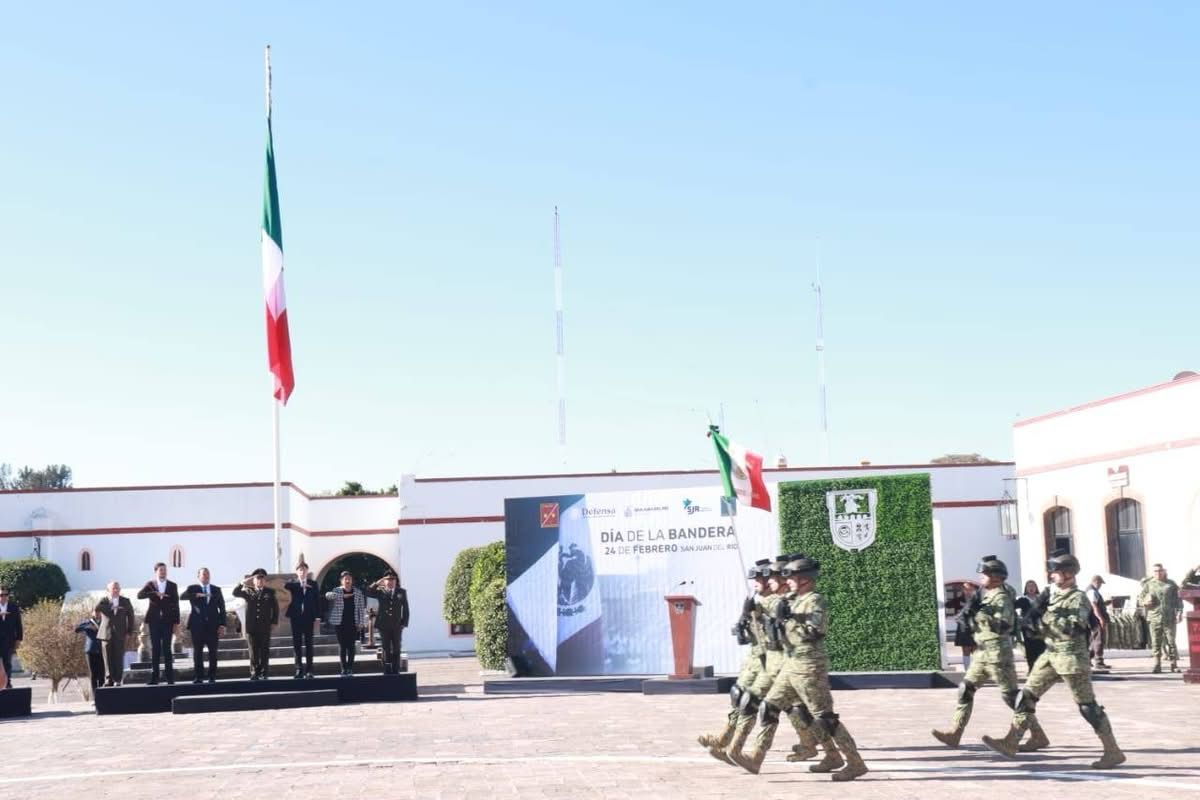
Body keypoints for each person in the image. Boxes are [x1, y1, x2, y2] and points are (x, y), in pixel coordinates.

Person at [983, 549, 1125, 769]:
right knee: (1026, 696)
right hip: (1050, 655)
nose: (1052, 575)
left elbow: (1071, 627)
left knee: (1087, 706)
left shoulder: (1078, 598)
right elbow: (1034, 621)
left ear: (1068, 573)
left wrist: (1041, 623)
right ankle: (1012, 741)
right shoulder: (1051, 594)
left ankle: (1112, 751)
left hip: (1072, 658)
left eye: (1056, 572)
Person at [734, 555, 868, 782]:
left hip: (809, 665)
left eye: (793, 578)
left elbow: (815, 632)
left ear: (805, 580)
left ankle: (855, 762)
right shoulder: (793, 599)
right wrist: (751, 608)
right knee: (768, 707)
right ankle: (756, 757)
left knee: (824, 718)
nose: (789, 582)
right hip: (790, 664)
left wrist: (788, 620)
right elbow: (772, 604)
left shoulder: (814, 601)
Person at [933, 556, 1048, 752]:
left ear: (995, 577)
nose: (981, 576)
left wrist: (978, 614)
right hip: (982, 652)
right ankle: (955, 732)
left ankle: (1037, 735)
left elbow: (1004, 624)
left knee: (1011, 697)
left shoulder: (1001, 597)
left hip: (998, 652)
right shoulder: (988, 594)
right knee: (966, 688)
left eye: (985, 573)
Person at [717, 554, 817, 771]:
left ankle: (735, 747)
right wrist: (745, 620)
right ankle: (735, 747)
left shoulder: (791, 601)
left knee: (799, 710)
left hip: (790, 663)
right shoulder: (774, 600)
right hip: (771, 661)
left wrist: (764, 613)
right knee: (772, 706)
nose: (767, 583)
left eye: (771, 578)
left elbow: (801, 631)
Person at [699, 559, 773, 757]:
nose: (754, 582)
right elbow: (746, 637)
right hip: (755, 660)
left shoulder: (775, 602)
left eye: (758, 578)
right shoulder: (755, 600)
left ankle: (819, 745)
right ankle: (726, 740)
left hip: (773, 662)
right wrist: (743, 619)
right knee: (741, 698)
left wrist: (758, 615)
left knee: (797, 710)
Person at [136, 562, 181, 685]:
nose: (163, 572)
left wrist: (176, 622)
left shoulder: (172, 585)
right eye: (161, 570)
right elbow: (139, 595)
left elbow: (176, 604)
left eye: (165, 570)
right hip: (154, 621)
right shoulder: (150, 584)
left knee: (167, 649)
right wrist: (154, 593)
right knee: (155, 649)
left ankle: (169, 678)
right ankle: (154, 678)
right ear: (156, 571)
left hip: (168, 621)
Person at [182, 567, 226, 683]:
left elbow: (222, 608)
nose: (206, 576)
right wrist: (196, 595)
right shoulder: (192, 588)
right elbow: (182, 597)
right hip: (197, 626)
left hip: (213, 626)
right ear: (199, 576)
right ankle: (199, 676)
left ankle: (212, 676)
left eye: (207, 574)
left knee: (213, 652)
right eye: (203, 574)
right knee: (198, 652)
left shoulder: (216, 589)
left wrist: (222, 625)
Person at [233, 568, 278, 680]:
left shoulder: (270, 592)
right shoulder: (248, 591)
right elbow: (235, 592)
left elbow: (275, 608)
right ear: (254, 581)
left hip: (264, 626)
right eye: (258, 578)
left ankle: (264, 672)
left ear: (265, 580)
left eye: (262, 578)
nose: (260, 581)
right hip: (251, 626)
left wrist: (273, 622)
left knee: (264, 650)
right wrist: (242, 583)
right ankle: (254, 672)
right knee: (253, 651)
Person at [1138, 563, 1182, 673]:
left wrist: (1180, 612)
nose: (1157, 573)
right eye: (1155, 571)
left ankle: (1174, 664)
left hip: (1169, 617)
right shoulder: (1149, 584)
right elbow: (1140, 599)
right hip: (1154, 617)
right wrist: (1145, 602)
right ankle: (1157, 665)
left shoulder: (1171, 584)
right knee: (1156, 642)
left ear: (1164, 571)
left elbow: (1178, 599)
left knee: (1171, 641)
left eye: (1159, 571)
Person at [366, 570, 410, 675]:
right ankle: (387, 668)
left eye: (392, 580)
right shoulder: (380, 591)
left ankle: (396, 668)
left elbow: (406, 608)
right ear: (384, 581)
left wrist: (404, 622)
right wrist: (377, 583)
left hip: (397, 624)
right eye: (388, 580)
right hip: (383, 624)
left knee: (396, 647)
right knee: (385, 648)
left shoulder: (401, 592)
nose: (390, 582)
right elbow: (368, 591)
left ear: (395, 581)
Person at [283, 562, 322, 679]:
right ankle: (299, 669)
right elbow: (286, 586)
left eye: (304, 570)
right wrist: (301, 585)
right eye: (300, 570)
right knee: (297, 644)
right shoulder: (293, 583)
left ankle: (310, 670)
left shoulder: (313, 584)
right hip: (296, 618)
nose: (302, 572)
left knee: (309, 644)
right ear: (297, 572)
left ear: (307, 571)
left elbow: (317, 601)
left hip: (309, 618)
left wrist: (318, 617)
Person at [94, 582, 136, 686]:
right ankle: (109, 679)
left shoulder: (125, 601)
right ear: (108, 590)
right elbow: (96, 608)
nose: (116, 590)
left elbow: (131, 616)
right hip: (105, 634)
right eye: (113, 588)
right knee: (107, 658)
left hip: (120, 633)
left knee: (118, 657)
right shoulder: (104, 600)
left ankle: (118, 679)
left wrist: (129, 631)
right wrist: (110, 607)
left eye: (117, 588)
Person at [325, 571, 366, 676]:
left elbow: (361, 609)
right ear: (341, 581)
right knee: (342, 646)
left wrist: (361, 623)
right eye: (345, 579)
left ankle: (350, 668)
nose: (347, 581)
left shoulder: (357, 592)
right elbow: (328, 596)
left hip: (353, 623)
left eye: (349, 579)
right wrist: (342, 596)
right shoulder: (337, 590)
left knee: (351, 646)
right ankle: (343, 668)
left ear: (352, 580)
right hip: (339, 623)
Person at [1014, 579, 1046, 671]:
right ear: (1026, 588)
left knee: (1041, 647)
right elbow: (1012, 606)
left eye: (1033, 586)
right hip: (1027, 628)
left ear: (1036, 588)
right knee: (1030, 648)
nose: (1031, 588)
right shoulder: (1023, 599)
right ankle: (1031, 668)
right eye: (1029, 586)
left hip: (1040, 627)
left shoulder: (1041, 598)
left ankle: (1041, 668)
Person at [73, 612, 105, 692]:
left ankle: (102, 695)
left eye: (99, 612)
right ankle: (95, 696)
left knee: (102, 674)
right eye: (96, 612)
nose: (98, 614)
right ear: (93, 613)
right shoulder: (88, 622)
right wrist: (88, 627)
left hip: (101, 650)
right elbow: (77, 629)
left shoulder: (103, 622)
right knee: (93, 674)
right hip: (91, 650)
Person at [1086, 575, 1111, 672]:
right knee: (1098, 641)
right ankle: (1099, 662)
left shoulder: (1091, 591)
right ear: (1095, 582)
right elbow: (1094, 606)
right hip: (1094, 619)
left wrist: (1104, 604)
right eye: (1100, 583)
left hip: (1093, 619)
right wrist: (1101, 619)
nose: (1100, 585)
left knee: (1094, 641)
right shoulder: (1092, 591)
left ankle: (1087, 659)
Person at [0, 586, 23, 689]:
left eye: (5, 595)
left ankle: (7, 683)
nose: (3, 597)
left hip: (8, 641)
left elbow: (19, 624)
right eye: (1, 595)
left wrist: (19, 639)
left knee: (7, 662)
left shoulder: (13, 607)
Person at [954, 581, 978, 670]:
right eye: (965, 589)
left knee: (976, 649)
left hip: (975, 627)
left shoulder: (978, 600)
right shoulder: (959, 600)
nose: (967, 591)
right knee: (965, 649)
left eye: (969, 589)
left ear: (973, 589)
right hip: (963, 627)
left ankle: (976, 671)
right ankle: (967, 671)